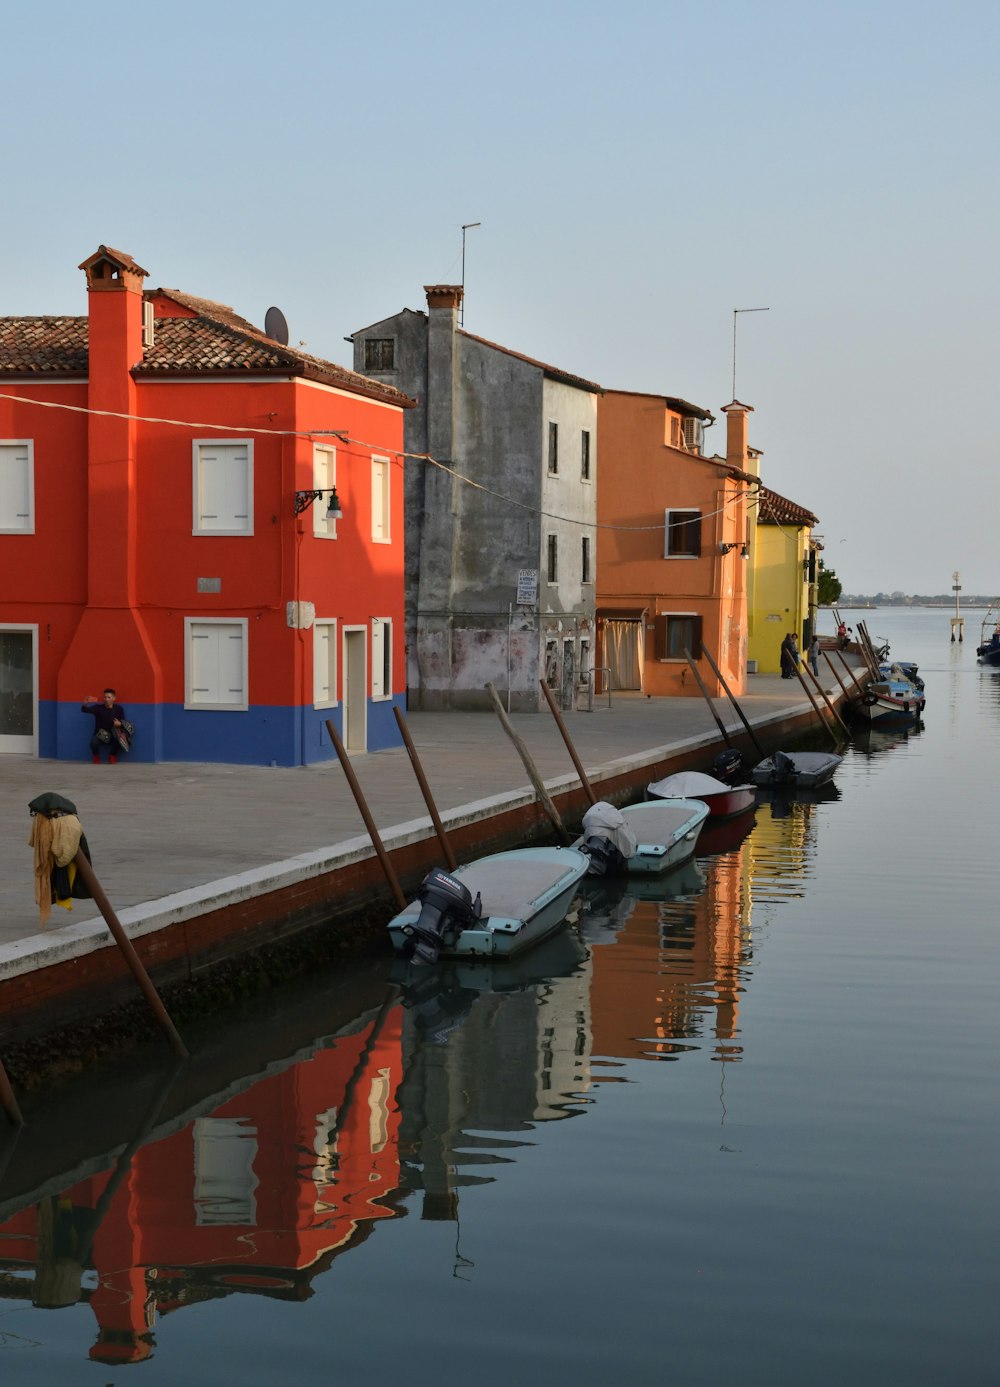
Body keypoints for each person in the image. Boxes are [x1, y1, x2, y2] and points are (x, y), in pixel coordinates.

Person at [81, 689, 128, 764]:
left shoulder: (119, 709)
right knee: (93, 742)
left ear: (114, 698)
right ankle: (96, 756)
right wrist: (84, 704)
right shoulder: (98, 708)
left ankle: (112, 756)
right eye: (105, 697)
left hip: (113, 734)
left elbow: (122, 722)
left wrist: (119, 724)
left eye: (109, 697)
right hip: (101, 734)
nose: (106, 699)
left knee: (121, 740)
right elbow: (84, 710)